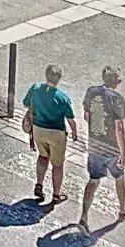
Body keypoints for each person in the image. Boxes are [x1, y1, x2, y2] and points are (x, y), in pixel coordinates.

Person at [80, 67, 125, 231]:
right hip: (112, 148)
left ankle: (84, 217)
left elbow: (86, 116)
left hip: (95, 146)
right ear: (115, 82)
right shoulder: (117, 99)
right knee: (119, 178)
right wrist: (123, 154)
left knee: (93, 181)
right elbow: (119, 129)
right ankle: (122, 210)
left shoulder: (91, 92)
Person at [23, 64, 81, 204]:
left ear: (46, 74)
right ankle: (56, 194)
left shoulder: (35, 89)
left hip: (38, 130)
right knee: (57, 164)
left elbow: (25, 103)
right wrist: (74, 132)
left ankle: (39, 184)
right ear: (59, 79)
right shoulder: (62, 98)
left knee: (43, 156)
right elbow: (70, 119)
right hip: (56, 134)